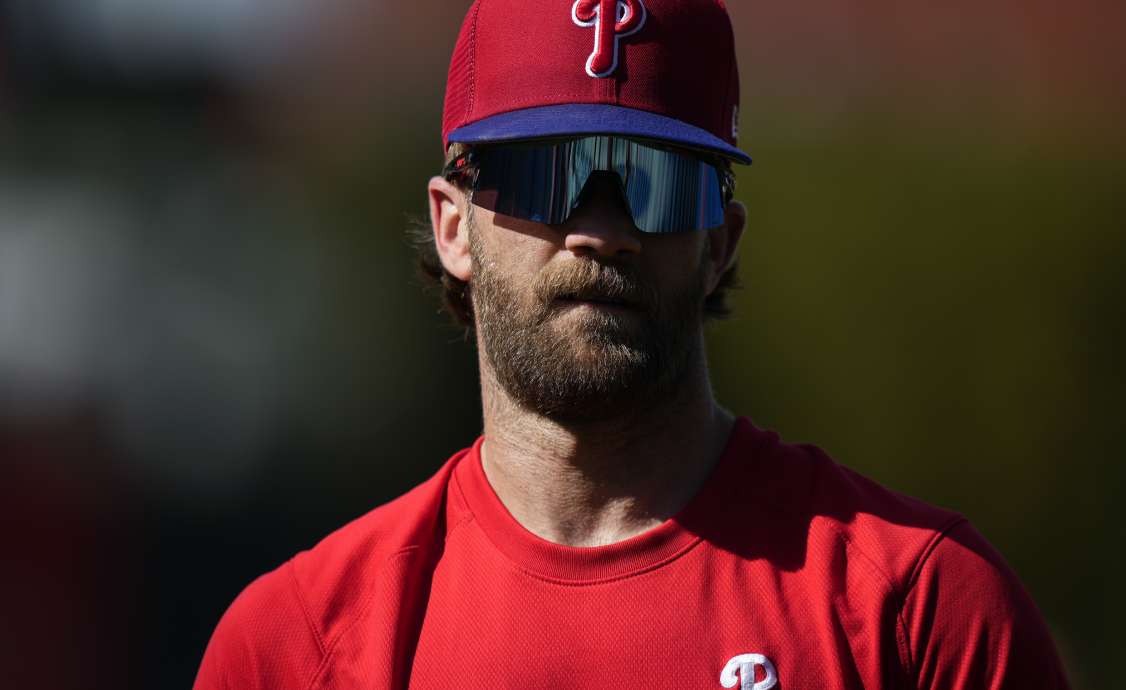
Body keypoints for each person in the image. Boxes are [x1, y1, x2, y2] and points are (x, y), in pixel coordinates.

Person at [194, 1, 1071, 688]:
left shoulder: (919, 615)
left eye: (650, 181)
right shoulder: (298, 648)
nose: (600, 231)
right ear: (453, 227)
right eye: (548, 174)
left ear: (720, 240)